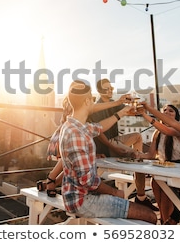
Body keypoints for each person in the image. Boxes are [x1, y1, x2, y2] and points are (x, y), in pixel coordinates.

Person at [58, 81, 157, 224]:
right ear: (87, 101)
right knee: (150, 216)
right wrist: (115, 193)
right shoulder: (76, 134)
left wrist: (121, 112)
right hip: (83, 201)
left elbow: (98, 127)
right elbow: (88, 181)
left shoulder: (73, 126)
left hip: (76, 195)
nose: (93, 102)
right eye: (91, 99)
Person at [38, 82, 133, 197]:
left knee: (73, 165)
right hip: (68, 134)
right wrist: (118, 103)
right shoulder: (74, 104)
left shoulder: (76, 102)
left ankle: (51, 182)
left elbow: (93, 116)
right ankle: (51, 178)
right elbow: (93, 109)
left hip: (73, 134)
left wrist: (118, 103)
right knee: (70, 158)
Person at [88, 78, 158, 211]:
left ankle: (139, 163)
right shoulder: (98, 106)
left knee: (137, 137)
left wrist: (137, 107)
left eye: (111, 88)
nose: (110, 90)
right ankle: (141, 160)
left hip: (116, 139)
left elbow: (130, 111)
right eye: (107, 88)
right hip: (107, 145)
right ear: (99, 91)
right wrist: (113, 148)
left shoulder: (114, 103)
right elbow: (99, 133)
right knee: (136, 156)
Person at [136, 104, 180, 224]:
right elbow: (150, 155)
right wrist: (138, 155)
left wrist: (145, 114)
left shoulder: (179, 129)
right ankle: (163, 219)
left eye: (171, 111)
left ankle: (167, 221)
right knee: (155, 182)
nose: (167, 112)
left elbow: (167, 130)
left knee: (164, 187)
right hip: (164, 168)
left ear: (176, 115)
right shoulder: (157, 133)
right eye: (164, 110)